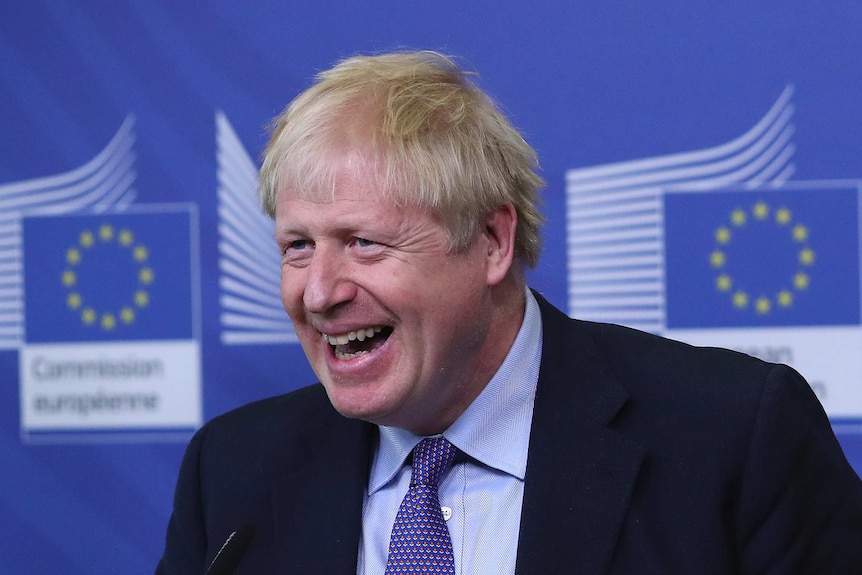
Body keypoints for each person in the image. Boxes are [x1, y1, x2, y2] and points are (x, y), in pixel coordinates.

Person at [157, 51, 862, 574]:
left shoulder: (733, 438)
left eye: (363, 243)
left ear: (491, 240)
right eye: (298, 246)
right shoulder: (233, 472)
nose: (319, 291)